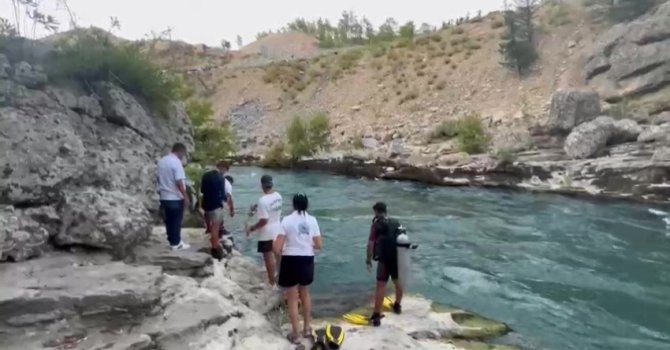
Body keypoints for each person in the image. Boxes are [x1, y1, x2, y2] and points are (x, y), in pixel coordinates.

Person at [273, 193, 323, 344]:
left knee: (292, 297)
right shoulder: (312, 221)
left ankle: (295, 333)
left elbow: (277, 247)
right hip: (307, 259)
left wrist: (279, 260)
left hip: (290, 259)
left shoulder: (287, 220)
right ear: (307, 205)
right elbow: (319, 245)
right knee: (305, 293)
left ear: (293, 205)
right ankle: (307, 328)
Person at [366, 202, 403, 326]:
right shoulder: (397, 222)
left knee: (381, 286)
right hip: (397, 258)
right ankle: (397, 305)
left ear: (376, 211)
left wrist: (368, 259)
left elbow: (371, 243)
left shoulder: (376, 226)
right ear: (386, 211)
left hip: (384, 260)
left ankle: (377, 315)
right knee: (398, 282)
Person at [246, 175, 283, 286]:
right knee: (278, 255)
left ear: (262, 185)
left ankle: (271, 282)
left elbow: (264, 221)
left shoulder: (262, 200)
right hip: (278, 229)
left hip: (267, 233)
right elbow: (270, 206)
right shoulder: (278, 196)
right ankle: (281, 276)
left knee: (268, 258)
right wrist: (257, 207)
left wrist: (252, 228)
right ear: (272, 184)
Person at [157, 143, 191, 250]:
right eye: (184, 154)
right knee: (176, 220)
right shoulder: (176, 162)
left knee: (169, 221)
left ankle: (172, 241)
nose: (183, 156)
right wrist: (185, 196)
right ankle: (177, 243)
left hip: (164, 195)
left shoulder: (162, 161)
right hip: (175, 197)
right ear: (181, 151)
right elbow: (179, 181)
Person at [200, 160, 230, 259]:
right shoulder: (221, 179)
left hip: (206, 204)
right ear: (222, 168)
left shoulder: (205, 175)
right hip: (216, 205)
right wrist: (225, 202)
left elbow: (202, 190)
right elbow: (222, 194)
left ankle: (208, 230)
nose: (224, 172)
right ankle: (214, 248)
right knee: (215, 228)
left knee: (209, 222)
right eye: (225, 170)